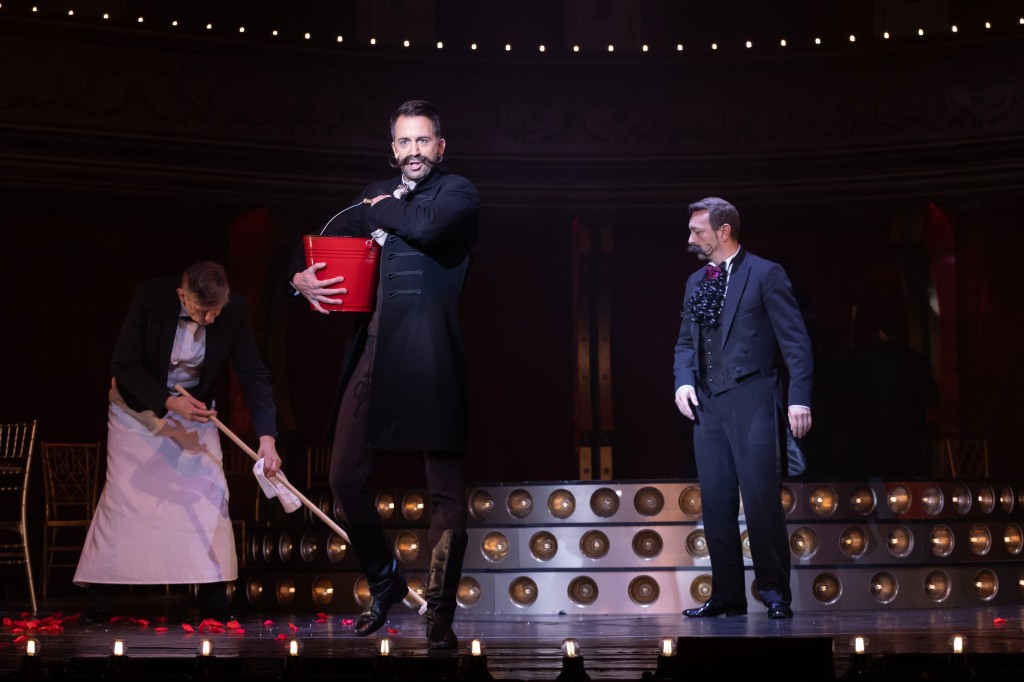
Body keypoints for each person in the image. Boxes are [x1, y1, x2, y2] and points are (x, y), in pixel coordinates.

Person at [289, 99, 479, 648]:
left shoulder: (459, 192)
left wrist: (380, 208)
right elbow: (326, 238)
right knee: (344, 477)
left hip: (430, 355)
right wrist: (297, 278)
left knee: (445, 491)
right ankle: (384, 580)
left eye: (423, 140)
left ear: (440, 146)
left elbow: (426, 225)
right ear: (392, 148)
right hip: (375, 352)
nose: (413, 151)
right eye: (403, 141)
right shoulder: (376, 194)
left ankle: (439, 609)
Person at [74, 261, 281, 625]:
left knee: (211, 494)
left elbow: (253, 373)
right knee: (125, 498)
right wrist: (168, 402)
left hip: (194, 413)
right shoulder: (149, 297)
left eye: (216, 311)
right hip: (138, 410)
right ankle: (100, 600)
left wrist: (267, 438)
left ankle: (214, 601)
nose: (211, 319)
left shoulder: (233, 311)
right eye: (203, 312)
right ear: (182, 295)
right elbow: (124, 365)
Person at [673, 197, 813, 620]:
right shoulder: (696, 281)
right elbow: (685, 341)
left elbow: (795, 341)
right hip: (708, 404)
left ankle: (774, 593)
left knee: (760, 500)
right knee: (715, 502)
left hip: (752, 396)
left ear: (724, 231)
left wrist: (799, 397)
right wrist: (683, 381)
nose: (690, 237)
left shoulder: (765, 273)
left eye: (697, 230)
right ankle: (727, 595)